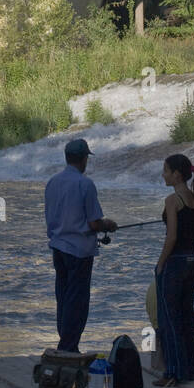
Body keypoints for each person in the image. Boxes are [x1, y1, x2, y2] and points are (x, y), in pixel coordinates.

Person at [44, 138, 117, 355]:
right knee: (77, 302)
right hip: (79, 252)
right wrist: (109, 225)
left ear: (67, 158)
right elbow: (94, 223)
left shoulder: (52, 182)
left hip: (58, 248)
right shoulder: (85, 184)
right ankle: (68, 348)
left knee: (63, 298)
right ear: (84, 159)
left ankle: (68, 344)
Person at [152, 153, 194, 386]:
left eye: (165, 170)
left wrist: (160, 263)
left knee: (169, 319)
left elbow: (171, 236)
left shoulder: (172, 200)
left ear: (176, 174)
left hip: (175, 262)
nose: (163, 175)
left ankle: (172, 373)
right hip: (193, 259)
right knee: (185, 317)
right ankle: (189, 369)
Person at [144, 280, 194, 373]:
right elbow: (184, 311)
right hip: (169, 326)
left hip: (157, 324)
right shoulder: (173, 283)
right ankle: (192, 359)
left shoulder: (156, 282)